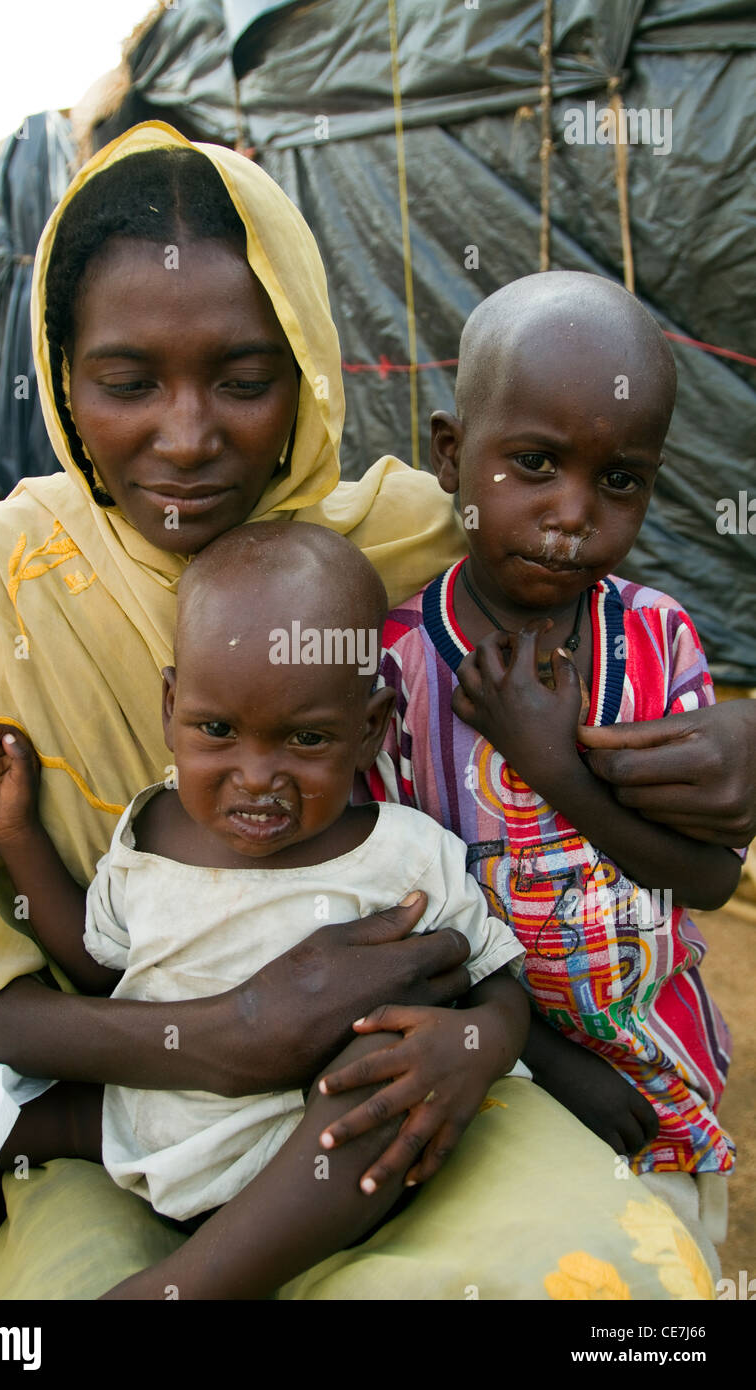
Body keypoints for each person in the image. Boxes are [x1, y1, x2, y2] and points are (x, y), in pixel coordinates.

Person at [0, 123, 747, 1300]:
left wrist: (741, 734)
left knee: (617, 1285)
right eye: (127, 381)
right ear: (61, 376)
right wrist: (220, 1032)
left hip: (398, 1088)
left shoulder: (391, 540)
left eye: (244, 380)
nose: (186, 439)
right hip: (119, 1108)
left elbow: (575, 561)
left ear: (305, 365)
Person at [0, 522, 526, 1300]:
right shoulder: (152, 830)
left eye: (306, 739)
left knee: (378, 1079)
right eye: (217, 731)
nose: (256, 779)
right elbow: (95, 963)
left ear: (369, 728)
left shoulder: (403, 855)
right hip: (138, 1121)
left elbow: (496, 974)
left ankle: (199, 1283)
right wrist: (16, 832)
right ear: (172, 706)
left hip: (301, 1166)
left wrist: (478, 1041)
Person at [367, 272, 743, 1277]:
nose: (572, 513)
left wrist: (553, 768)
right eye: (531, 463)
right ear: (452, 455)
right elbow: (397, 919)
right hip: (491, 1073)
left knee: (665, 1266)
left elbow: (705, 879)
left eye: (617, 479)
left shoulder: (655, 643)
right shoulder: (397, 670)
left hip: (660, 1056)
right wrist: (544, 1057)